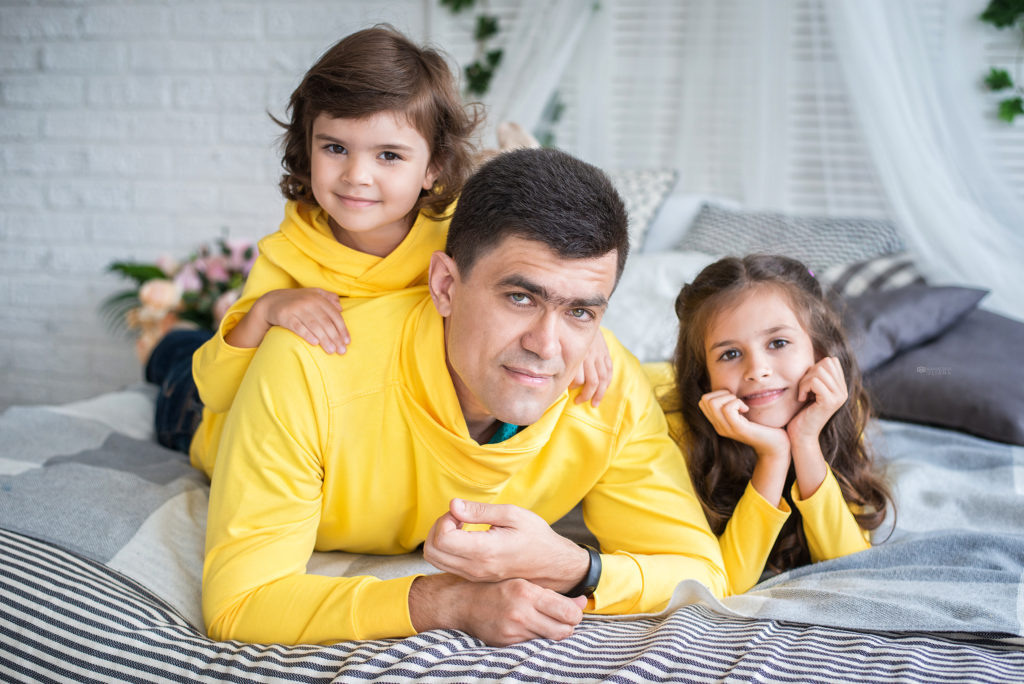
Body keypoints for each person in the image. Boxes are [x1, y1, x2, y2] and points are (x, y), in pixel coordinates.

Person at [201, 148, 729, 647]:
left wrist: (571, 566)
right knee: (174, 365)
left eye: (580, 313)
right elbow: (239, 603)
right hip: (212, 421)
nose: (546, 346)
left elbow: (700, 572)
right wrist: (445, 602)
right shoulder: (306, 364)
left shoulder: (607, 389)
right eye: (520, 298)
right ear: (446, 286)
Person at [143, 25, 611, 464]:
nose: (356, 176)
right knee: (177, 369)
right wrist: (267, 310)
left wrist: (588, 340)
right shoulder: (289, 254)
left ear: (433, 166)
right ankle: (163, 347)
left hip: (377, 427)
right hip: (210, 424)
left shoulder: (460, 237)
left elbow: (548, 281)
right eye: (335, 148)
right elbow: (218, 390)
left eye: (388, 155)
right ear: (307, 149)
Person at [669, 254, 892, 593]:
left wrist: (804, 441)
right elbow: (726, 581)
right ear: (704, 377)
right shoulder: (674, 435)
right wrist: (773, 456)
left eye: (778, 343)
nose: (757, 370)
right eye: (729, 354)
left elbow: (852, 568)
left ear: (819, 350)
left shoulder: (836, 415)